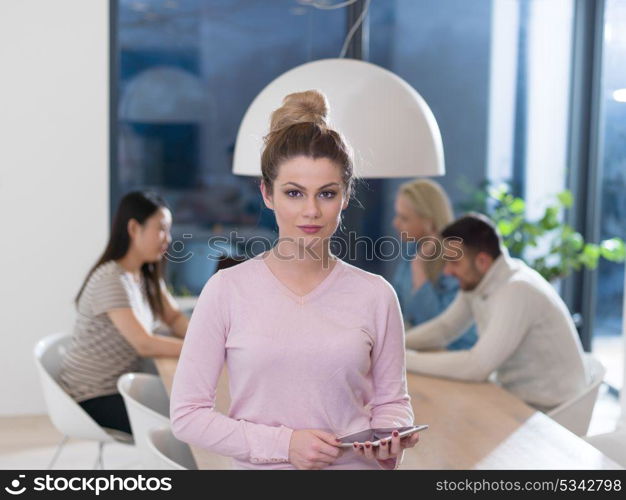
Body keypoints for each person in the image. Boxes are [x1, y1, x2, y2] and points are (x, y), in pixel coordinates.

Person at [170, 90, 419, 470]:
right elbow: (187, 415)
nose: (311, 211)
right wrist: (284, 445)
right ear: (267, 194)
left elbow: (392, 404)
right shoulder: (226, 291)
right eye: (293, 193)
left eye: (327, 193)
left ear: (346, 196)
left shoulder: (376, 295)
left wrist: (390, 438)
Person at [404, 213, 588, 411]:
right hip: (515, 396)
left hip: (550, 410)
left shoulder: (517, 290)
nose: (447, 271)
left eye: (454, 263)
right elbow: (445, 328)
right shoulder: (479, 280)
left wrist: (403, 360)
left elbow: (477, 366)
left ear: (482, 261)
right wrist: (394, 345)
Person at [59, 191, 188, 435]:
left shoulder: (144, 275)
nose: (167, 239)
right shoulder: (111, 279)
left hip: (121, 386)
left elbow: (173, 317)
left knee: (191, 412)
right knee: (186, 425)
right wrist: (202, 348)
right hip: (94, 396)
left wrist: (206, 339)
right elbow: (144, 345)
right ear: (133, 228)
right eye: (161, 229)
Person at [391, 178, 477, 350]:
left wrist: (419, 267)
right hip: (420, 349)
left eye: (404, 218)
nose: (395, 223)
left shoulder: (456, 261)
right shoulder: (413, 249)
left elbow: (438, 327)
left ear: (429, 222)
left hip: (452, 355)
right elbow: (396, 307)